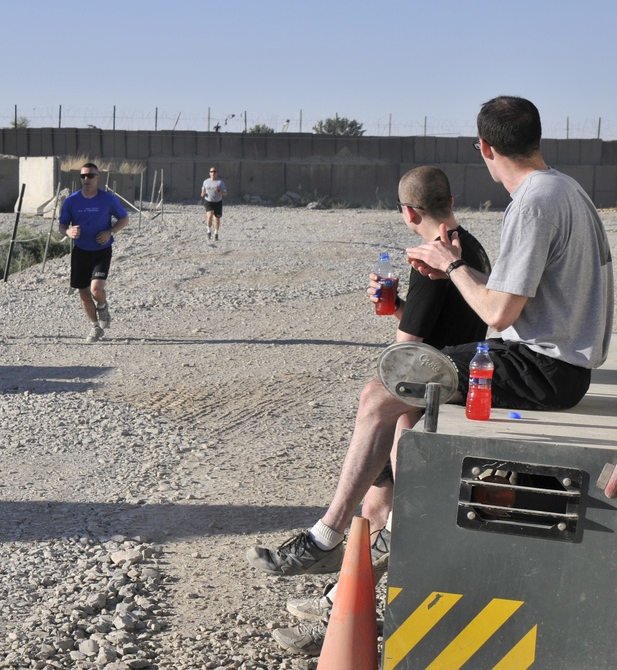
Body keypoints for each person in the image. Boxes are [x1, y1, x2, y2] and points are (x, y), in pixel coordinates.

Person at [248, 96, 613, 654]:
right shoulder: (568, 190)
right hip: (559, 363)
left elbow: (498, 314)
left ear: (485, 148)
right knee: (406, 401)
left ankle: (327, 535)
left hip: (543, 368)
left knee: (379, 392)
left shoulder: (534, 203)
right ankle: (364, 544)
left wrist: (449, 267)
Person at [267, 165, 492, 657]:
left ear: (409, 212)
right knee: (376, 509)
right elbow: (447, 320)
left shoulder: (429, 260)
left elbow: (403, 358)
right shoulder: (467, 247)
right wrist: (401, 307)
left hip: (422, 406)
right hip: (441, 396)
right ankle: (335, 597)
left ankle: (338, 614)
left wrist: (401, 320)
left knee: (387, 515)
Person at [59, 163, 130, 342]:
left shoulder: (108, 199)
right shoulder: (72, 201)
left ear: (98, 178)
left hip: (101, 250)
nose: (86, 179)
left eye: (90, 176)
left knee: (96, 289)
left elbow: (124, 219)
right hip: (81, 251)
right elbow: (62, 225)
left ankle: (103, 306)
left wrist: (110, 232)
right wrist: (68, 232)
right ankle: (95, 327)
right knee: (83, 293)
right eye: (83, 176)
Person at [201, 167, 228, 240]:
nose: (213, 173)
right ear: (209, 173)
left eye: (214, 172)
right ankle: (209, 231)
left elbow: (225, 193)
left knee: (217, 218)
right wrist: (203, 194)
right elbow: (202, 193)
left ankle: (216, 233)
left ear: (217, 173)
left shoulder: (220, 182)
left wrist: (218, 191)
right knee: (209, 215)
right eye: (211, 171)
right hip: (208, 201)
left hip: (218, 202)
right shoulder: (205, 182)